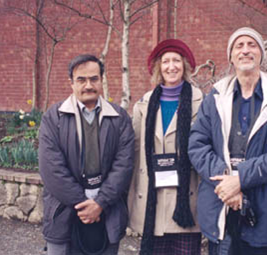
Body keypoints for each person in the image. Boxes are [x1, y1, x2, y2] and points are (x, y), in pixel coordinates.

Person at [188, 27, 267, 255]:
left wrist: (240, 178)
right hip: (221, 209)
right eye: (239, 46)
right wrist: (227, 183)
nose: (245, 51)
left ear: (261, 53)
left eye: (252, 45)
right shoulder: (214, 100)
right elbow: (197, 144)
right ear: (231, 56)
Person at [39, 54, 134, 255]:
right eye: (81, 79)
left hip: (108, 212)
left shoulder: (119, 118)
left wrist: (100, 203)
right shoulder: (54, 117)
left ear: (101, 80)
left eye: (94, 79)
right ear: (71, 83)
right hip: (63, 214)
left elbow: (123, 165)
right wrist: (84, 205)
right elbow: (51, 169)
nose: (88, 85)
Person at [127, 39, 204, 255]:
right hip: (153, 201)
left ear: (185, 65)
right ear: (159, 67)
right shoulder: (144, 104)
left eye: (176, 60)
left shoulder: (201, 102)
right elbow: (134, 150)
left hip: (186, 204)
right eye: (166, 61)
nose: (171, 66)